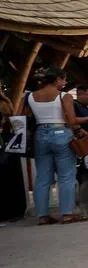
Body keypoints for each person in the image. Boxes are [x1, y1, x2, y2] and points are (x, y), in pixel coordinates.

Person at [24, 68, 85, 224]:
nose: (64, 83)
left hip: (40, 135)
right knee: (66, 176)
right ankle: (67, 213)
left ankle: (42, 216)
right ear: (57, 79)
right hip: (61, 133)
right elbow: (71, 121)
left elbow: (25, 117)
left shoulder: (30, 96)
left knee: (42, 178)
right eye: (64, 80)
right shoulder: (63, 96)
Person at [0, 91, 28, 221]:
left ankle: (9, 211)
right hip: (9, 145)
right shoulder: (6, 102)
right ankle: (15, 210)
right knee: (12, 178)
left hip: (4, 144)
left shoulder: (4, 103)